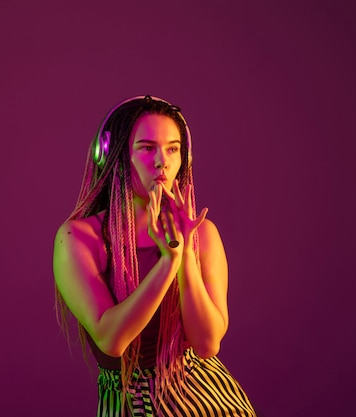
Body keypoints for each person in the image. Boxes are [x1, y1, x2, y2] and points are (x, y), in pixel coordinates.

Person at [53, 95, 257, 416]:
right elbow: (112, 340)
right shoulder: (78, 238)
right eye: (147, 148)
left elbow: (207, 344)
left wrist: (185, 254)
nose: (162, 161)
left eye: (173, 149)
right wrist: (168, 261)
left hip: (205, 396)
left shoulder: (203, 234)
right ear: (115, 155)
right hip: (129, 400)